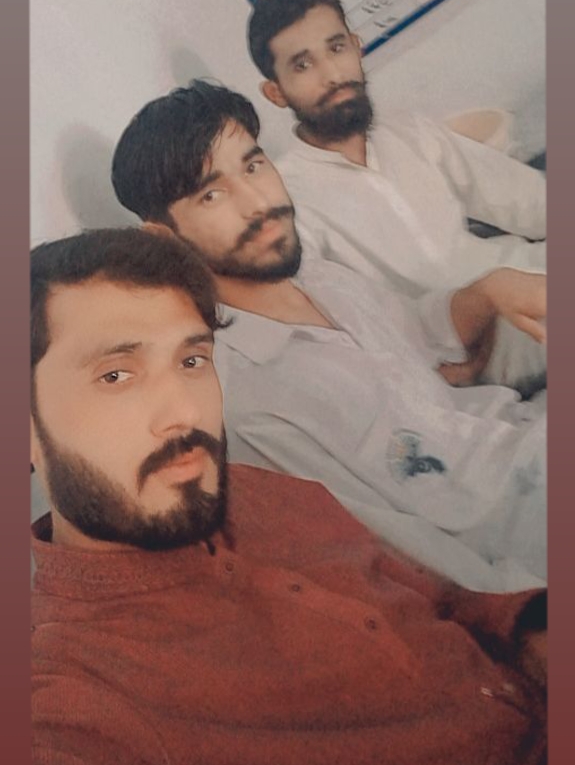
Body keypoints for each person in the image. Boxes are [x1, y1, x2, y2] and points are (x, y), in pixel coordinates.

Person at [31, 227, 547, 765]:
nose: (184, 411)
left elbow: (436, 594)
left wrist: (530, 630)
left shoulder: (254, 488)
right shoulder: (78, 693)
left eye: (192, 361)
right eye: (116, 375)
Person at [111, 84, 546, 592]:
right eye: (212, 194)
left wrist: (488, 289)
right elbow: (404, 563)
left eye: (253, 166)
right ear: (164, 239)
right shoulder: (245, 401)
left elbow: (421, 336)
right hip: (524, 537)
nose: (258, 203)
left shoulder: (317, 276)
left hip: (525, 439)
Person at [247, 0, 546, 392]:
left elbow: (527, 200)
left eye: (336, 48)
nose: (332, 74)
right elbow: (364, 333)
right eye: (303, 65)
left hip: (528, 275)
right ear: (276, 92)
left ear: (356, 47)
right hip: (480, 342)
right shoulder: (288, 204)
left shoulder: (411, 133)